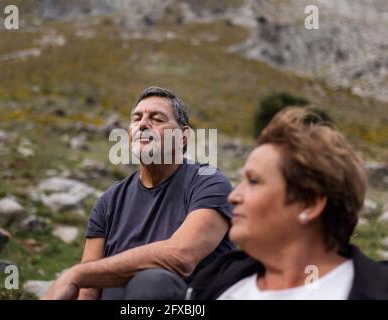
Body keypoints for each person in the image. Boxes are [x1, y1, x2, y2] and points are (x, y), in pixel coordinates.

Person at [42, 86, 235, 300]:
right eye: (136, 119)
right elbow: (88, 289)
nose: (143, 124)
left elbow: (181, 256)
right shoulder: (109, 200)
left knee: (153, 282)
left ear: (183, 136)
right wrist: (81, 278)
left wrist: (76, 273)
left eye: (157, 118)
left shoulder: (208, 182)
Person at [187, 107, 388, 300]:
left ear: (309, 204)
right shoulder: (215, 283)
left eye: (254, 181)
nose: (233, 196)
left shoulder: (376, 290)